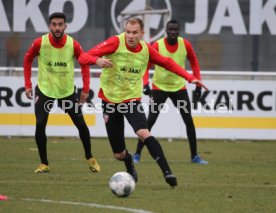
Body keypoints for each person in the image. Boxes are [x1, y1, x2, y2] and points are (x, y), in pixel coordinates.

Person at [78, 17, 207, 187]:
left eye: (134, 33)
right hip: (109, 100)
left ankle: (168, 172)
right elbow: (82, 57)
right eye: (128, 32)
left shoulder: (147, 49)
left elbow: (167, 63)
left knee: (143, 132)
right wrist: (97, 60)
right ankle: (129, 160)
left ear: (142, 34)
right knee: (119, 154)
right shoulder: (115, 42)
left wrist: (191, 78)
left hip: (131, 99)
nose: (130, 36)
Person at [24, 12, 111, 173]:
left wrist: (85, 89)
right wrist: (28, 84)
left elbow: (84, 62)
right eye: (54, 24)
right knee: (40, 124)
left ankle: (90, 158)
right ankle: (44, 163)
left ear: (65, 26)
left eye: (60, 24)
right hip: (45, 90)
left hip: (67, 92)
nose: (57, 27)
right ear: (50, 26)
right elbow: (28, 59)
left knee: (81, 125)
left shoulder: (73, 44)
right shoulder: (40, 43)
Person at [133, 20, 208, 165]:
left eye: (175, 30)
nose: (173, 32)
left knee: (188, 121)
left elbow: (194, 63)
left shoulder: (185, 44)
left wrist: (198, 84)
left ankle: (194, 157)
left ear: (179, 31)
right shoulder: (157, 45)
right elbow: (145, 66)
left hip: (179, 89)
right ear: (166, 30)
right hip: (159, 88)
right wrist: (146, 83)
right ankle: (137, 155)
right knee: (149, 121)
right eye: (170, 29)